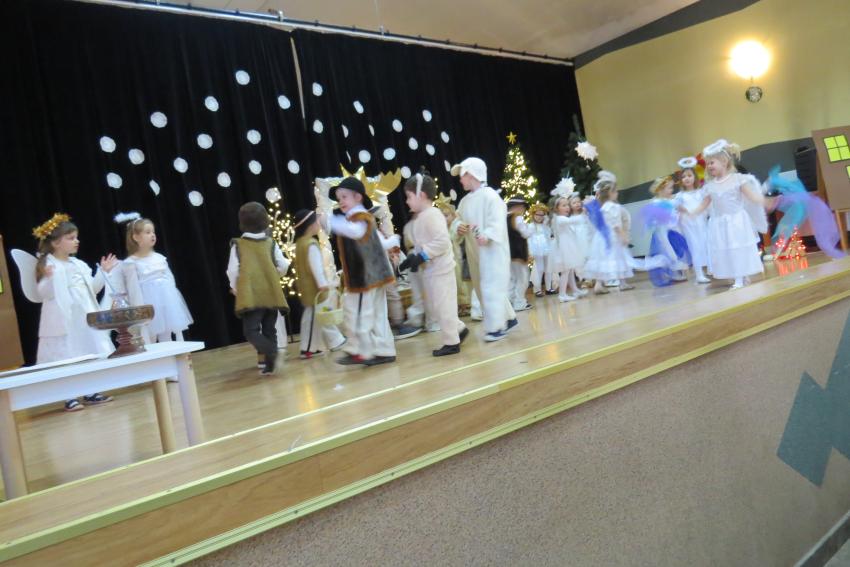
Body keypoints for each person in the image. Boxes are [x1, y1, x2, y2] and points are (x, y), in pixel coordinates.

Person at [321, 176, 397, 365]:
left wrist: (331, 222)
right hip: (372, 276)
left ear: (358, 197)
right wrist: (391, 242)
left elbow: (354, 231)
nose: (340, 201)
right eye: (339, 198)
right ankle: (382, 350)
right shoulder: (362, 218)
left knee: (360, 312)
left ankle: (361, 350)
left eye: (344, 197)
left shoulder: (360, 218)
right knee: (374, 314)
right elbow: (379, 240)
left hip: (365, 277)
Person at [399, 172, 469, 356]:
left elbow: (442, 242)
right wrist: (412, 258)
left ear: (421, 195)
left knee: (443, 307)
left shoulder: (432, 215)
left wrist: (422, 256)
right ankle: (459, 329)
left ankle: (451, 343)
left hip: (441, 270)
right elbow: (424, 242)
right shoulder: (422, 216)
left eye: (409, 197)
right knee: (438, 308)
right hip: (432, 271)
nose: (406, 201)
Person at [453, 157, 518, 342]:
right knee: (482, 288)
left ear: (472, 174)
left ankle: (495, 328)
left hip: (492, 251)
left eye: (462, 175)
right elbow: (458, 219)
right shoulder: (465, 201)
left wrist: (488, 234)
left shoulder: (490, 196)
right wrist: (458, 226)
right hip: (474, 252)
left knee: (492, 287)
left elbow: (497, 220)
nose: (460, 179)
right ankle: (508, 318)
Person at [227, 202, 290, 375]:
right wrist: (275, 275)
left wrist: (235, 287)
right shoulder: (271, 243)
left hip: (251, 295)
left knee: (251, 331)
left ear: (242, 223)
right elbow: (283, 265)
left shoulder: (238, 245)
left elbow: (232, 270)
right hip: (271, 293)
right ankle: (270, 365)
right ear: (265, 222)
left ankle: (272, 353)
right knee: (270, 329)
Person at [292, 209, 346, 359]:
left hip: (307, 287)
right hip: (315, 288)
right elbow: (315, 266)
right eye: (316, 221)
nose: (319, 224)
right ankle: (308, 349)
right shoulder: (311, 244)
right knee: (315, 318)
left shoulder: (300, 243)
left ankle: (330, 342)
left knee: (318, 317)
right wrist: (322, 283)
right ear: (310, 225)